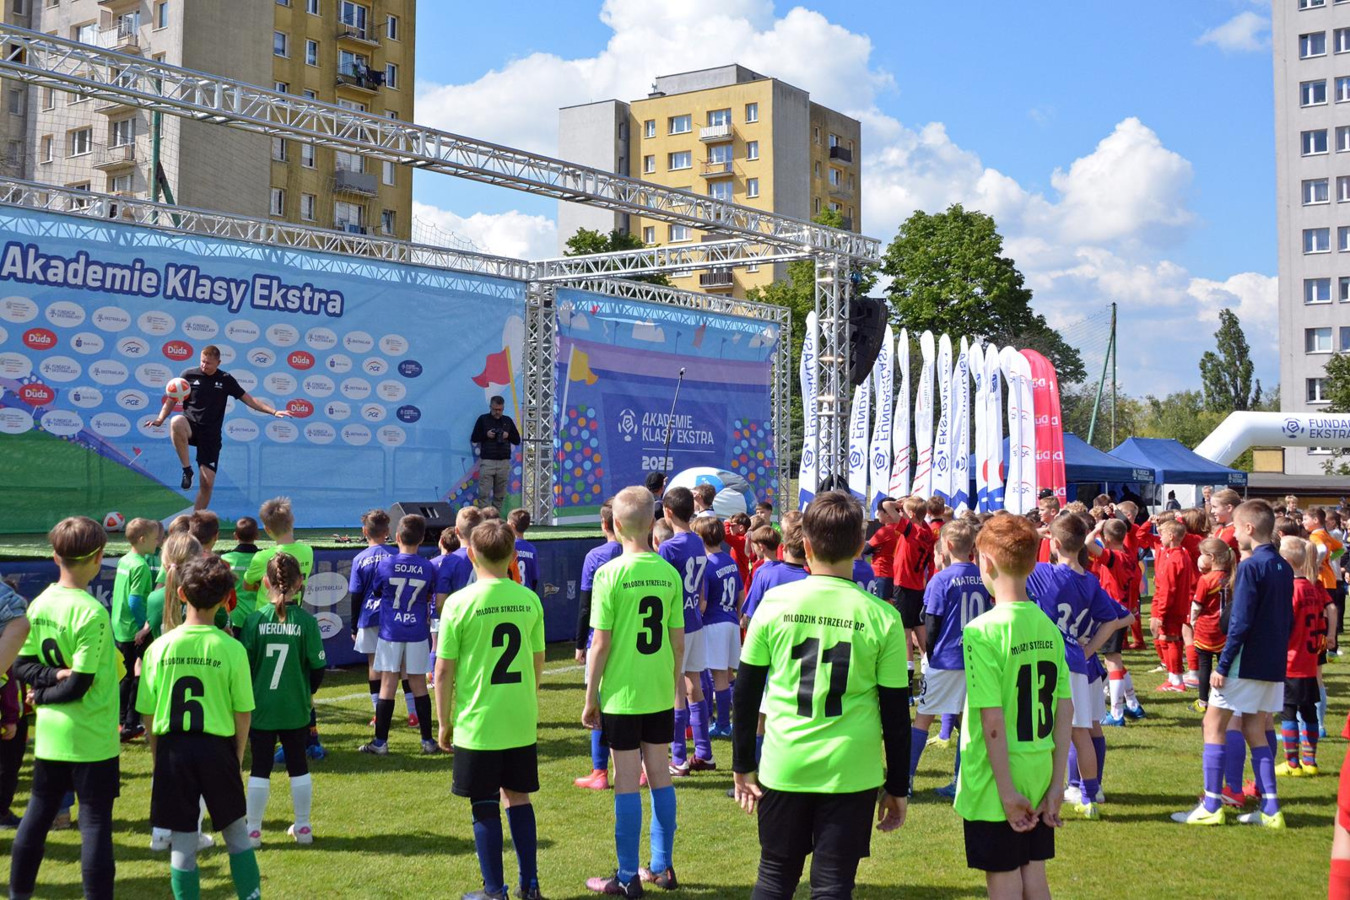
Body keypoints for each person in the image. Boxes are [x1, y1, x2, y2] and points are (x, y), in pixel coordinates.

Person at [732, 492, 910, 899]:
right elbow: (896, 715)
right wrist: (897, 785)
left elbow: (746, 693)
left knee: (774, 877)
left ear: (806, 546)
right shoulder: (883, 617)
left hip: (786, 763)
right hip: (851, 769)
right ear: (861, 546)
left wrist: (742, 763)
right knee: (832, 885)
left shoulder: (774, 605)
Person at [956, 513, 1071, 900]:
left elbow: (992, 719)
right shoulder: (1048, 627)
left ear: (985, 563)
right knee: (1032, 871)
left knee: (1003, 874)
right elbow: (1065, 709)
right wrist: (1056, 782)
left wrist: (1005, 791)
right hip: (1038, 768)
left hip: (997, 776)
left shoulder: (982, 631)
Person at [137, 554, 261, 900]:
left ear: (180, 594)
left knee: (182, 839)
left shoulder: (159, 648)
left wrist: (158, 755)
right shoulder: (231, 649)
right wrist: (236, 756)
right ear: (225, 600)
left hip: (173, 750)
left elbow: (148, 714)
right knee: (236, 833)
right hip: (217, 749)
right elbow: (242, 713)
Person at [436, 519, 547, 900]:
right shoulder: (529, 599)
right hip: (519, 718)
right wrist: (528, 697)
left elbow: (444, 669)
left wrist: (443, 722)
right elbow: (537, 659)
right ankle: (530, 885)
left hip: (477, 722)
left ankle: (494, 890)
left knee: (484, 803)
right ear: (513, 555)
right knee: (519, 797)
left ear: (470, 553)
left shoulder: (459, 603)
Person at [582, 485, 683, 897]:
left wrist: (590, 696)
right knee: (659, 774)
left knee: (626, 780)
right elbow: (677, 640)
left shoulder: (609, 574)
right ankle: (662, 866)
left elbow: (600, 644)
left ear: (617, 525)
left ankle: (626, 877)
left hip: (622, 694)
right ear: (652, 522)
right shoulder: (668, 573)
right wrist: (674, 685)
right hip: (657, 690)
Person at [9, 517, 119, 900]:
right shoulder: (92, 612)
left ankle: (18, 894)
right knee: (95, 822)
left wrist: (43, 688)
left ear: (56, 557)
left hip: (52, 734)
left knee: (38, 815)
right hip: (92, 736)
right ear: (99, 557)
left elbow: (22, 666)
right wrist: (52, 682)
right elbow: (77, 684)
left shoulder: (40, 603)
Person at [1173, 499, 1293, 828]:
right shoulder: (1284, 566)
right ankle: (1271, 809)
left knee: (1213, 724)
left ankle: (1212, 804)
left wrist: (1223, 666)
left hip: (1245, 661)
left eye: (1237, 528)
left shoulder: (1251, 566)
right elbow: (1288, 618)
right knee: (1255, 728)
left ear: (1249, 528)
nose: (1234, 534)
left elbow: (1240, 621)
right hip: (1272, 662)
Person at [242, 552, 327, 848]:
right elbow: (318, 668)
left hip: (262, 708)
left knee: (260, 768)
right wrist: (305, 691)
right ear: (300, 583)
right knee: (298, 765)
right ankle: (303, 828)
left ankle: (253, 831)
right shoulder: (306, 622)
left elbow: (245, 669)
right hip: (294, 707)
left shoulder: (254, 620)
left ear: (266, 583)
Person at [145, 344, 292, 510]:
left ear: (218, 363)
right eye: (202, 361)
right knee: (176, 421)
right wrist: (160, 419)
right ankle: (187, 470)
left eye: (208, 363)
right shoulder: (188, 375)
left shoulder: (226, 379)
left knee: (207, 484)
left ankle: (197, 520)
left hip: (210, 435)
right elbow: (171, 399)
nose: (204, 365)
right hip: (190, 426)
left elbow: (250, 400)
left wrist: (274, 411)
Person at [910, 519, 989, 799]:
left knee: (923, 719)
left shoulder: (941, 579)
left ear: (948, 545)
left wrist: (929, 653)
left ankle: (906, 781)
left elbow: (932, 622)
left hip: (946, 658)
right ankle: (960, 782)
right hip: (976, 659)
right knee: (967, 723)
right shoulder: (984, 576)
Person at [361, 514, 443, 756]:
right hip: (416, 631)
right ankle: (427, 741)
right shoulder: (428, 566)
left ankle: (380, 743)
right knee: (418, 684)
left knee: (388, 683)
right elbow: (429, 594)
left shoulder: (386, 564)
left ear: (397, 537)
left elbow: (377, 591)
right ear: (422, 539)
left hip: (390, 631)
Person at [657, 486, 712, 776]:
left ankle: (678, 757)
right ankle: (704, 752)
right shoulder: (697, 541)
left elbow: (663, 586)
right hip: (694, 619)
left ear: (667, 512)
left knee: (677, 688)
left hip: (677, 624)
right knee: (694, 685)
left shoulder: (669, 547)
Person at [574, 500, 622, 791]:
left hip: (600, 637)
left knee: (598, 707)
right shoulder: (642, 555)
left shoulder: (595, 556)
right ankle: (639, 767)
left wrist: (580, 642)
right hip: (632, 641)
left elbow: (585, 603)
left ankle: (600, 771)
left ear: (605, 524)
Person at [1275, 537, 1328, 778]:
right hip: (1309, 660)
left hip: (1291, 661)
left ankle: (1292, 763)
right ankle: (1311, 761)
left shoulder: (1291, 590)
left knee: (1288, 712)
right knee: (1308, 711)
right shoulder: (1312, 588)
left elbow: (1284, 626)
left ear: (1286, 561)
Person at [694, 516, 743, 739]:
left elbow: (703, 603)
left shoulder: (706, 564)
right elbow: (741, 594)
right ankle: (735, 719)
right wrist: (737, 617)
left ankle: (723, 724)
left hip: (714, 623)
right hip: (731, 621)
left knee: (719, 676)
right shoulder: (728, 560)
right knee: (728, 674)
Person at [111, 516, 159, 741]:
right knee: (133, 675)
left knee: (125, 675)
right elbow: (135, 600)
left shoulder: (125, 560)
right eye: (154, 538)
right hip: (133, 629)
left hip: (120, 625)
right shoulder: (140, 565)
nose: (157, 542)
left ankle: (122, 723)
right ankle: (129, 724)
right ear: (142, 539)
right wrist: (143, 627)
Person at [350, 509, 394, 721]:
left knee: (373, 663)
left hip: (369, 616)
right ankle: (413, 713)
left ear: (364, 531)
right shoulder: (396, 555)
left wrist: (353, 625)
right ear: (387, 531)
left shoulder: (360, 558)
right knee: (400, 665)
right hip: (394, 617)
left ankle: (378, 712)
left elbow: (356, 594)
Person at [1191, 538, 1233, 712]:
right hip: (1227, 627)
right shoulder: (1232, 576)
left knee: (1204, 665)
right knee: (1225, 665)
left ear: (1211, 557)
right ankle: (1227, 699)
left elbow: (1197, 605)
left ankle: (1203, 701)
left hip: (1207, 628)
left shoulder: (1206, 579)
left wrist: (1193, 621)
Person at [1151, 520, 1193, 692]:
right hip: (1178, 606)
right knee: (1166, 639)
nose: (1160, 537)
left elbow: (1168, 589)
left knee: (1170, 640)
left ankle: (1177, 680)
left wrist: (1160, 613)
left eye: (1162, 534)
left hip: (1171, 607)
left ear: (1171, 536)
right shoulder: (1182, 554)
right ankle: (1172, 677)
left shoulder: (1174, 560)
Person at [471, 395, 521, 510]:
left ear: (503, 408)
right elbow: (474, 438)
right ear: (490, 407)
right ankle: (484, 518)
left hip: (504, 462)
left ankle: (496, 517)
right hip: (488, 461)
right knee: (484, 494)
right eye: (495, 409)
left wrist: (507, 435)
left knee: (500, 495)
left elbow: (517, 440)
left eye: (500, 410)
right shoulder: (483, 419)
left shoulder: (507, 420)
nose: (498, 412)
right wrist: (486, 435)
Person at [221, 518, 262, 637]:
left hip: (234, 620)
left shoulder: (224, 559)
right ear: (257, 536)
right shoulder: (264, 559)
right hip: (259, 618)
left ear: (235, 536)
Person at [507, 509, 541, 595]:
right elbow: (535, 578)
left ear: (512, 525)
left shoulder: (507, 546)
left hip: (511, 594)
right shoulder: (531, 549)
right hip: (526, 594)